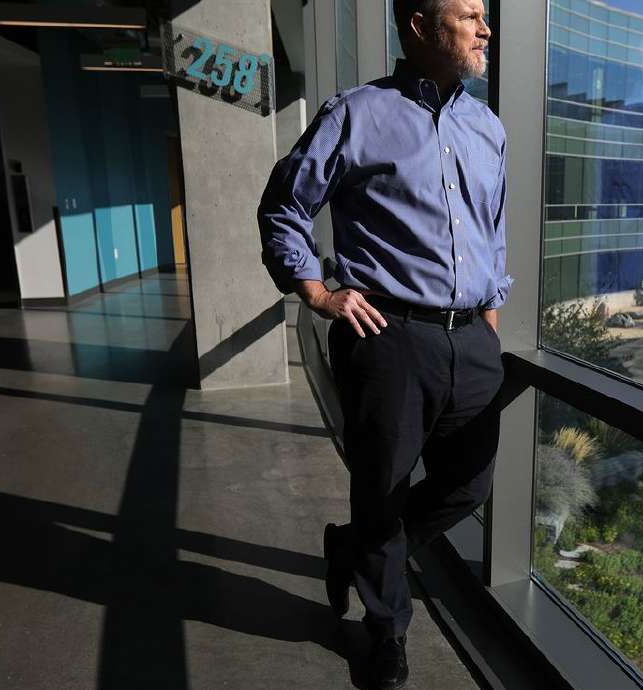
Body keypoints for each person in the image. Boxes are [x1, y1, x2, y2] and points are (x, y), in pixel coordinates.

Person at [256, 1, 507, 687]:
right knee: (381, 493)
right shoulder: (356, 114)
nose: (487, 29)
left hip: (473, 341)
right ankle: (385, 630)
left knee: (469, 485)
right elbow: (284, 205)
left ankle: (356, 550)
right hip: (388, 337)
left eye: (485, 15)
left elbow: (492, 228)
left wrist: (490, 307)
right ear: (421, 26)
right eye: (470, 15)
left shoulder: (487, 126)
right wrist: (315, 290)